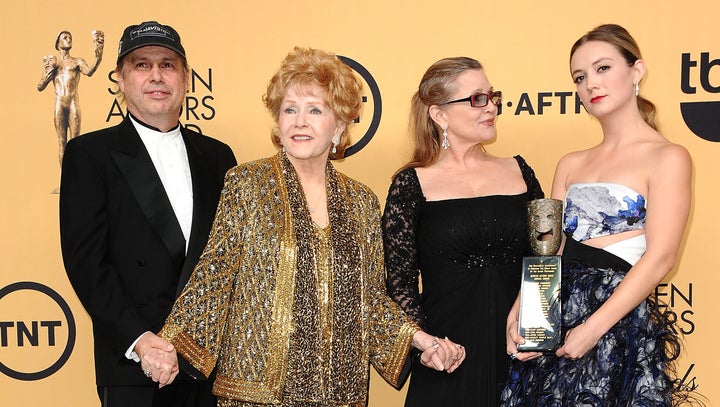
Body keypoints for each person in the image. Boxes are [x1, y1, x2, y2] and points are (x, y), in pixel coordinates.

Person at [141, 47, 465, 406]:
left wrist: (420, 340)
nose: (299, 121)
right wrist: (169, 346)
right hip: (257, 392)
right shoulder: (247, 184)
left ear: (339, 125)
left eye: (315, 110)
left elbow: (371, 299)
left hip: (340, 392)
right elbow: (215, 274)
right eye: (289, 109)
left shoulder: (361, 201)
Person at [502, 24, 695, 405]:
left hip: (616, 322)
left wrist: (593, 329)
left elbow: (661, 258)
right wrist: (521, 312)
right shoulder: (570, 164)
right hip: (557, 318)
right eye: (580, 76)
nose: (591, 83)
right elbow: (550, 252)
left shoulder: (668, 157)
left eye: (603, 68)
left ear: (636, 72)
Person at [59, 20, 237, 407]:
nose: (156, 75)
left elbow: (230, 261)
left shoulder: (219, 157)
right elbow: (86, 263)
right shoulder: (89, 155)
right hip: (134, 366)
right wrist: (140, 341)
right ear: (120, 80)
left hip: (209, 366)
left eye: (167, 64)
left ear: (186, 78)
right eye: (141, 65)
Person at [382, 56, 544, 406]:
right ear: (439, 114)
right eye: (477, 99)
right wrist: (423, 343)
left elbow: (546, 257)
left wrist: (538, 329)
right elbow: (400, 283)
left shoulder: (519, 171)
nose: (492, 108)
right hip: (448, 358)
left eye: (492, 96)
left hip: (521, 352)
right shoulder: (410, 185)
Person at [38, 29, 104, 166]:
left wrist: (99, 57)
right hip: (59, 104)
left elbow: (89, 71)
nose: (68, 39)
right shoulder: (53, 63)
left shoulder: (77, 61)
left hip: (73, 103)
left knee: (76, 142)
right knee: (62, 142)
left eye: (70, 37)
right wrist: (45, 77)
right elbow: (40, 86)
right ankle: (65, 180)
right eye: (65, 37)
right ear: (58, 43)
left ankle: (76, 180)